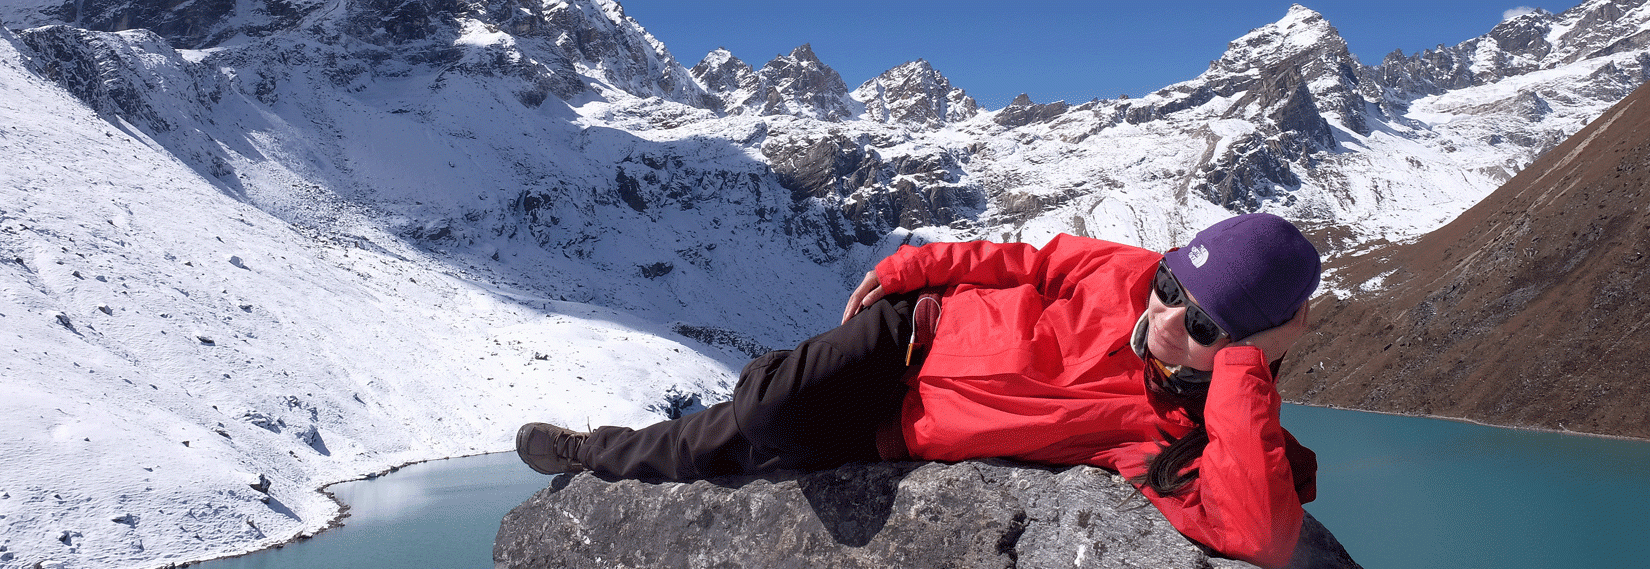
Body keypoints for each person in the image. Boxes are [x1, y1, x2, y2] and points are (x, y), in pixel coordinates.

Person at [516, 212, 1322, 568]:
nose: (1165, 313)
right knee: (765, 410)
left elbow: (1258, 533)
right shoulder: (1120, 267)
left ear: (1247, 351)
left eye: (1204, 326)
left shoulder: (1169, 430)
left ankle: (595, 452)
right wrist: (907, 268)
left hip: (902, 429)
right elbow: (1023, 262)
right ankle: (766, 388)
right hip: (910, 332)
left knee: (740, 446)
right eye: (1171, 279)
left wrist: (1244, 372)